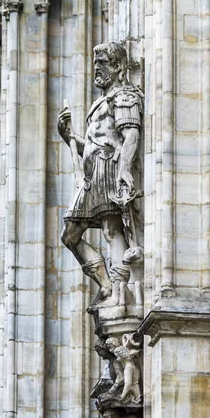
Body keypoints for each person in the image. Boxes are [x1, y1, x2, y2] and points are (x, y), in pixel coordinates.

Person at [58, 41, 143, 308]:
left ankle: (119, 290)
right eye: (95, 64)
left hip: (108, 166)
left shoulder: (124, 96)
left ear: (118, 66)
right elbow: (95, 142)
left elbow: (130, 133)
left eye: (103, 63)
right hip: (92, 172)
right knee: (70, 235)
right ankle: (106, 284)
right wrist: (68, 136)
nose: (97, 69)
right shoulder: (101, 102)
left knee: (111, 230)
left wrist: (125, 169)